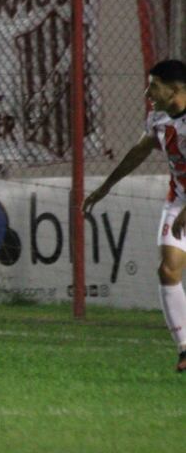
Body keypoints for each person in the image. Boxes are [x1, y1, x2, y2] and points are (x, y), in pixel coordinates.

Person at [83, 59, 186, 372]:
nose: (148, 91)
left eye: (154, 85)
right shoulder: (158, 119)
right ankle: (185, 347)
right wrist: (105, 186)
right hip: (177, 201)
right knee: (168, 271)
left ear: (176, 89)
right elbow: (139, 151)